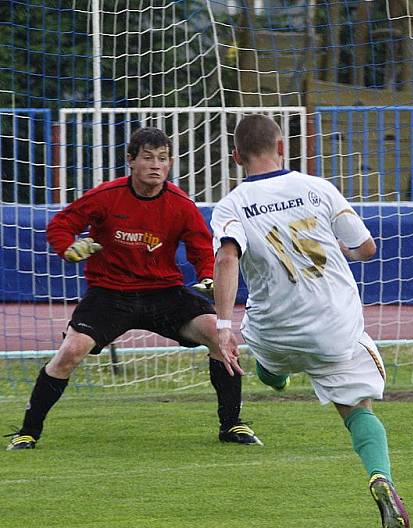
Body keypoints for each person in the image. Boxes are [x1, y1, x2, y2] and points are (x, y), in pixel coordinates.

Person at [210, 114, 410, 528]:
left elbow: (226, 260)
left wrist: (224, 328)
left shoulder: (231, 205)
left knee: (268, 360)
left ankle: (273, 372)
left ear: (236, 157)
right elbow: (367, 247)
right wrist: (342, 251)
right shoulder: (318, 188)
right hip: (332, 328)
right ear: (282, 147)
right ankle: (379, 477)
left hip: (273, 331)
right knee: (358, 410)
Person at [6, 127, 261, 450]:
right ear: (130, 160)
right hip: (109, 294)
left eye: (163, 159)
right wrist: (68, 247)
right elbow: (61, 224)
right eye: (148, 157)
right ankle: (28, 431)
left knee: (219, 334)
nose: (156, 165)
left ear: (169, 164)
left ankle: (232, 424)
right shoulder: (106, 196)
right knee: (70, 352)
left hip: (164, 294)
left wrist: (207, 274)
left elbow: (200, 246)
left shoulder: (180, 204)